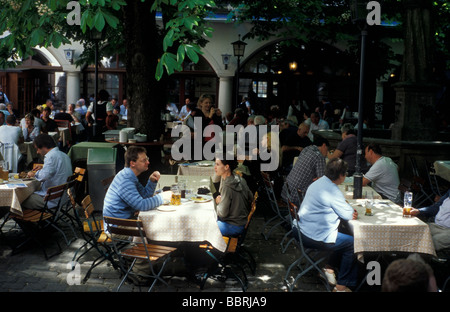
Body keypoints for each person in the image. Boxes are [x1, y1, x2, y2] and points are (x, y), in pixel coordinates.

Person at [293, 158, 358, 292]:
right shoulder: (332, 190)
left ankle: (329, 268)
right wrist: (349, 209)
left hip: (300, 229)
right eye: (345, 174)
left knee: (343, 232)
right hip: (312, 235)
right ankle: (341, 287)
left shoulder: (319, 181)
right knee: (352, 243)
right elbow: (348, 215)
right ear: (341, 176)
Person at [103, 146, 173, 220]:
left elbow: (145, 196)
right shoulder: (125, 180)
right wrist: (162, 197)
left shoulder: (130, 175)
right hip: (117, 225)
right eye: (144, 160)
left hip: (124, 220)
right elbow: (141, 205)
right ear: (133, 163)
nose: (148, 162)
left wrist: (152, 181)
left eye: (147, 159)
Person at [22, 134, 72, 209]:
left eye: (37, 149)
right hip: (63, 196)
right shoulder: (64, 155)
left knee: (21, 198)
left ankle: (28, 219)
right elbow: (56, 170)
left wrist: (34, 173)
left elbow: (44, 176)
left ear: (44, 146)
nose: (37, 152)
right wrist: (43, 167)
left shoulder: (51, 157)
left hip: (51, 200)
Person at [281, 136, 329, 207]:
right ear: (324, 145)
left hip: (286, 192)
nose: (327, 153)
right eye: (327, 150)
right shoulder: (319, 157)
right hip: (297, 197)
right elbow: (322, 181)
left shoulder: (306, 149)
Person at [214, 157, 253, 236]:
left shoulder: (227, 186)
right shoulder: (240, 179)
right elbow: (250, 198)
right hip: (242, 221)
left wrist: (218, 202)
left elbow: (222, 213)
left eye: (217, 164)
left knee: (206, 225)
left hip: (233, 225)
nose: (215, 167)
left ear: (226, 167)